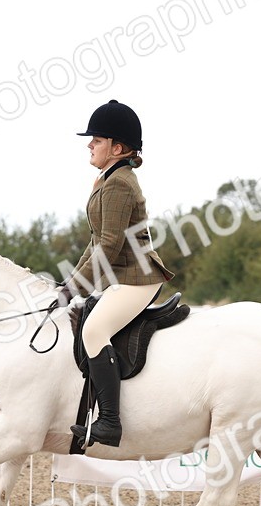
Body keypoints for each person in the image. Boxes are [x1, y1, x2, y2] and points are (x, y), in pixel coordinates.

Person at [57, 99, 174, 449]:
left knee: (93, 331)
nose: (89, 144)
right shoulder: (106, 179)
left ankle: (110, 421)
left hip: (137, 278)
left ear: (118, 148)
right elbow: (94, 243)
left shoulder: (120, 183)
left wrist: (75, 286)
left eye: (97, 139)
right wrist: (68, 284)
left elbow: (108, 245)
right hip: (121, 277)